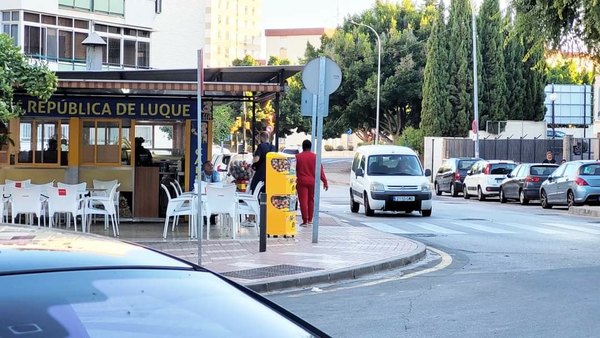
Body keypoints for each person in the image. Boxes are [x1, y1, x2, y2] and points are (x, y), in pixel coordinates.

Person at [295, 139, 328, 226]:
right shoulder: (315, 157)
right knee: (311, 200)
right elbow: (320, 170)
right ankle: (310, 219)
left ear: (303, 147)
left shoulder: (297, 157)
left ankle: (305, 220)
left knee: (303, 201)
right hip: (313, 182)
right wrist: (325, 181)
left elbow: (293, 170)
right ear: (310, 147)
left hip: (301, 181)